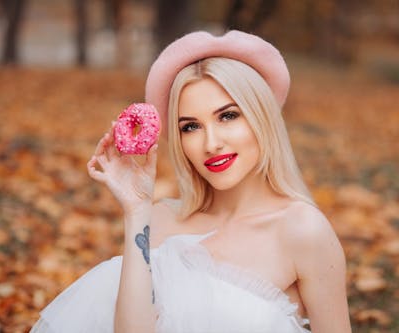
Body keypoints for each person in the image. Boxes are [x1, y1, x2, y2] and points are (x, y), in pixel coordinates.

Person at [31, 30, 351, 333]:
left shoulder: (302, 231)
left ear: (262, 117)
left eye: (227, 116)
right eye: (190, 127)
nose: (211, 143)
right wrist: (136, 210)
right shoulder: (161, 219)